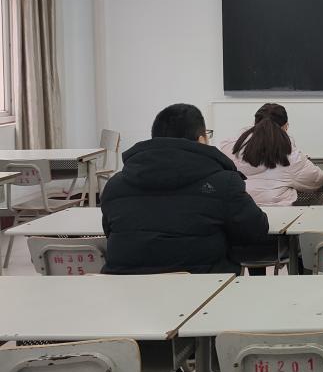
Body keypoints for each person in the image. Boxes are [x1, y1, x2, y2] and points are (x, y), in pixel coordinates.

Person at [101, 103, 269, 274]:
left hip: (126, 288)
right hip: (205, 288)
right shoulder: (224, 183)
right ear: (201, 140)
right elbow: (256, 231)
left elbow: (110, 232)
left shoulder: (115, 186)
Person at [219, 103, 323, 206]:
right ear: (285, 127)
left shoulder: (229, 147)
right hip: (280, 215)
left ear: (254, 124)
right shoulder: (290, 156)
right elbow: (316, 180)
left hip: (237, 213)